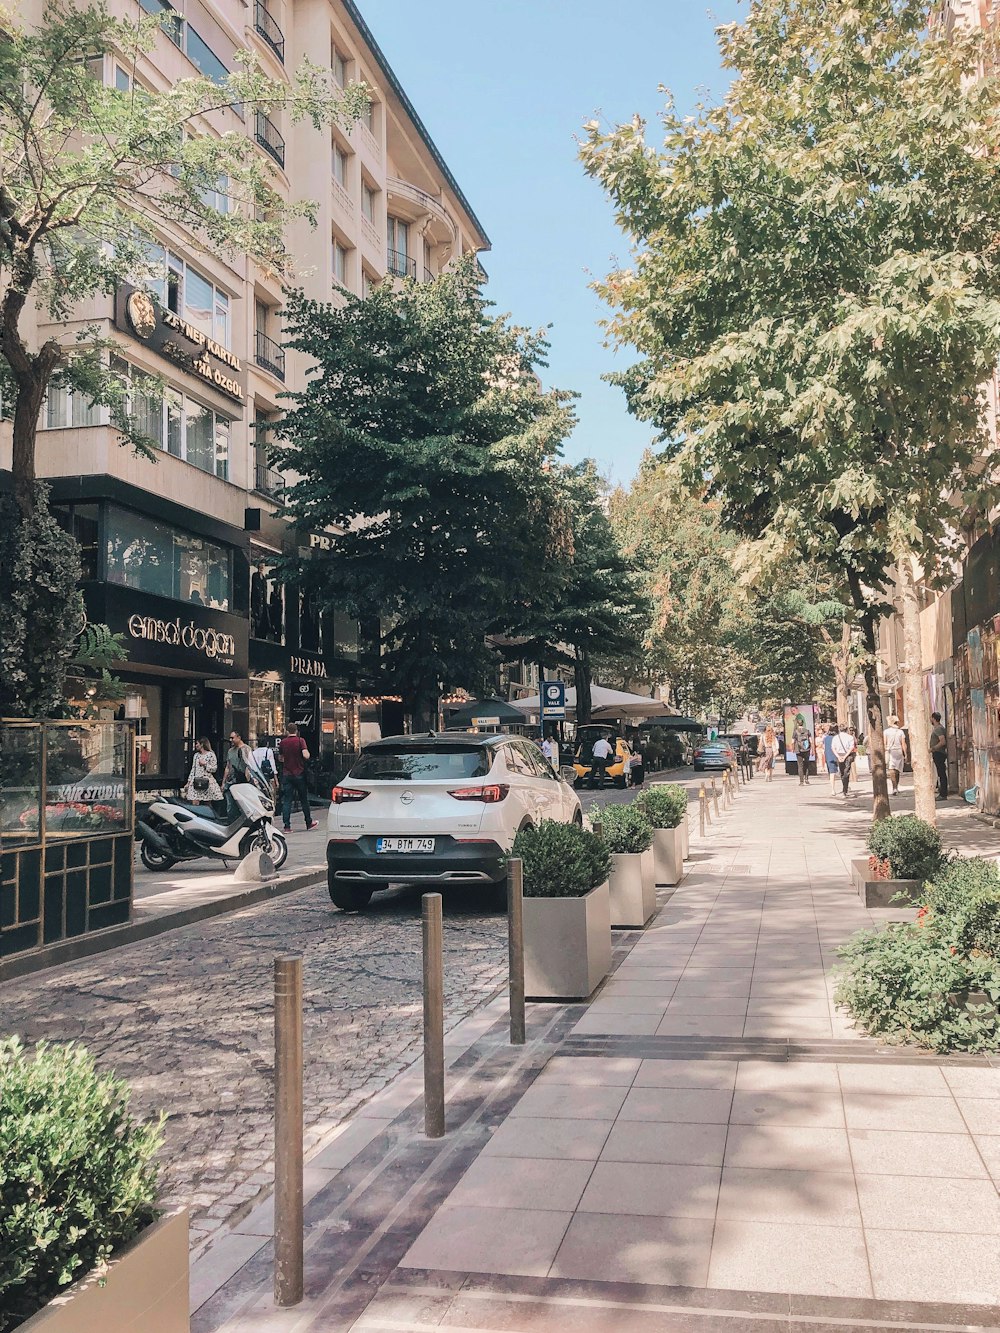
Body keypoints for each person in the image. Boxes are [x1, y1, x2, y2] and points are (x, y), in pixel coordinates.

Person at [278, 721, 317, 832]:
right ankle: (308, 822)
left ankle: (287, 826)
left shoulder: (283, 742)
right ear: (296, 731)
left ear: (287, 731)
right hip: (299, 773)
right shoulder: (301, 741)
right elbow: (306, 755)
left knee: (287, 801)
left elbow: (280, 758)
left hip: (287, 774)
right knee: (304, 799)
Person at [223, 729, 266, 819]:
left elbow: (249, 766)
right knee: (230, 806)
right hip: (231, 780)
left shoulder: (246, 749)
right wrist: (223, 782)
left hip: (241, 780)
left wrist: (250, 780)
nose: (231, 740)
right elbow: (228, 766)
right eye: (230, 738)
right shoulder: (230, 751)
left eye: (233, 738)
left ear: (239, 737)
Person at [183, 737, 222, 804]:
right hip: (196, 780)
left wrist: (205, 764)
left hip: (206, 780)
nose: (196, 745)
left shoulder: (211, 755)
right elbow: (193, 769)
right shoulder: (196, 755)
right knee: (194, 801)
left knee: (207, 801)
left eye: (197, 743)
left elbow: (214, 768)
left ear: (202, 744)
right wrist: (188, 782)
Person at [884, 714, 908, 796]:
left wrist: (885, 751)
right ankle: (896, 787)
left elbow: (884, 743)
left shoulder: (886, 732)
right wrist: (906, 754)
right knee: (897, 770)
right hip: (899, 751)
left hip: (890, 751)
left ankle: (894, 787)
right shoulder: (900, 732)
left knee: (891, 769)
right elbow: (903, 744)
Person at [830, 723, 857, 797]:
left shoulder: (835, 737)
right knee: (846, 772)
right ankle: (845, 790)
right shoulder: (850, 737)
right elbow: (851, 748)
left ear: (839, 729)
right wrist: (845, 756)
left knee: (842, 772)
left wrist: (838, 756)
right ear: (846, 729)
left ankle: (844, 789)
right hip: (847, 755)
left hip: (839, 755)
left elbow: (832, 748)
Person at [251, 735, 280, 802]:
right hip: (267, 778)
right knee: (271, 796)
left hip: (257, 778)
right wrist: (276, 781)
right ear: (267, 743)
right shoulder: (268, 751)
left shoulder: (253, 753)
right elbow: (272, 767)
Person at [930, 711, 949, 799]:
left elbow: (942, 741)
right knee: (940, 773)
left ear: (933, 719)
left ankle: (943, 794)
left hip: (939, 753)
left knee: (941, 773)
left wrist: (933, 748)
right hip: (938, 753)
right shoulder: (938, 728)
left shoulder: (938, 729)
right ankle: (942, 792)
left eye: (931, 718)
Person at [792, 719, 813, 786]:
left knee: (800, 765)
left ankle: (801, 781)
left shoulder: (795, 732)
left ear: (797, 724)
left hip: (798, 750)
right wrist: (812, 750)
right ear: (803, 723)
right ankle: (806, 779)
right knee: (806, 764)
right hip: (807, 749)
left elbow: (792, 742)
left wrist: (793, 749)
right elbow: (811, 741)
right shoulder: (807, 731)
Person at [822, 725, 839, 794]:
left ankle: (832, 789)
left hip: (828, 756)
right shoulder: (837, 738)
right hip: (836, 756)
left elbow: (824, 747)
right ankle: (843, 786)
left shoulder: (826, 738)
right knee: (836, 773)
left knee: (831, 773)